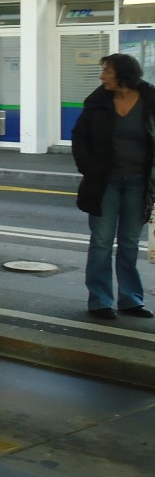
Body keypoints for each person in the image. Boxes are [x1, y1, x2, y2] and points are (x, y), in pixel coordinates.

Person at [71, 53, 155, 320]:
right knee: (102, 241)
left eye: (107, 71)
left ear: (123, 74)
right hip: (105, 183)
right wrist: (88, 167)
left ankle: (130, 299)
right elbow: (79, 136)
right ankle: (100, 300)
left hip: (139, 183)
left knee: (130, 243)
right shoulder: (98, 103)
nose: (102, 76)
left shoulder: (151, 101)